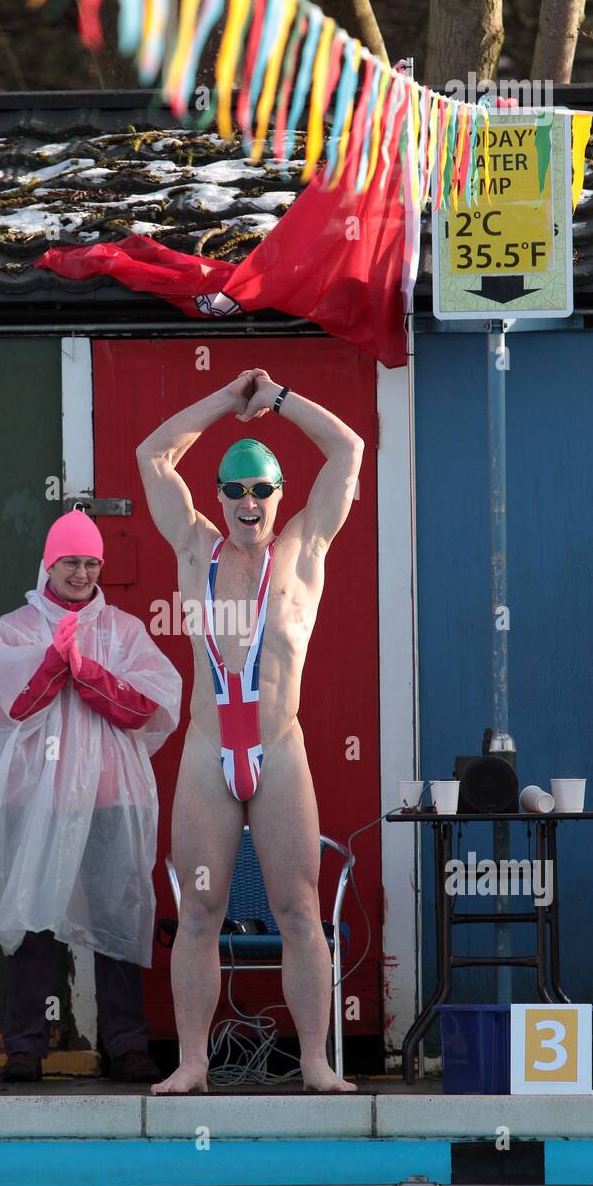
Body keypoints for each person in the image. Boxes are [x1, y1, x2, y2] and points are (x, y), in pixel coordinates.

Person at [136, 368, 364, 1093]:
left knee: (300, 910)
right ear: (217, 499)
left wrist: (281, 401)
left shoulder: (305, 552)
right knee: (198, 911)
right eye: (233, 490)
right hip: (209, 750)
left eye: (260, 489)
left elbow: (349, 450)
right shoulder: (192, 548)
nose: (246, 502)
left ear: (280, 497)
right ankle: (194, 1063)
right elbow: (151, 455)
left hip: (280, 747)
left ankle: (318, 1063)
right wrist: (227, 401)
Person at [0, 510, 182, 1084]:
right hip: (36, 804)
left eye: (91, 563)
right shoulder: (10, 633)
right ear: (49, 563)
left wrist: (83, 669)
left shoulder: (125, 632)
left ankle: (127, 1045)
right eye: (71, 562)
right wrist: (52, 663)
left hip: (111, 801)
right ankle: (24, 1047)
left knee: (117, 917)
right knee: (31, 921)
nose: (82, 572)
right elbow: (5, 706)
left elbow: (150, 707)